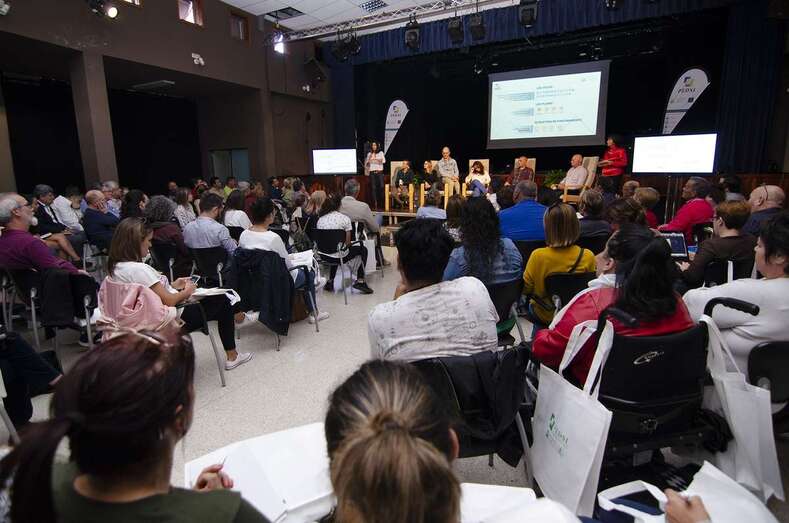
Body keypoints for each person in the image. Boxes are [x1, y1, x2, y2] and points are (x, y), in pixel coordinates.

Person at [0, 328, 268, 523]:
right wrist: (203, 508)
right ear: (179, 419)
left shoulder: (31, 475)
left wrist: (187, 502)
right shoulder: (228, 515)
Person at [533, 224, 694, 384]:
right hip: (664, 397)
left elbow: (546, 351)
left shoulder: (594, 305)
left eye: (603, 252)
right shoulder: (677, 303)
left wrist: (541, 335)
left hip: (598, 400)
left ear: (609, 263)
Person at [107, 218, 252, 370]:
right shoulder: (139, 270)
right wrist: (187, 292)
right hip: (173, 319)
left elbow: (146, 293)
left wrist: (172, 285)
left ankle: (237, 332)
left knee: (218, 298)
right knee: (224, 300)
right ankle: (232, 355)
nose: (150, 245)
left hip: (141, 322)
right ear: (136, 242)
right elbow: (169, 301)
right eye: (148, 241)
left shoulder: (115, 269)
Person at [368, 219, 497, 362]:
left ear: (399, 263)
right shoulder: (475, 288)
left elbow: (381, 369)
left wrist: (396, 304)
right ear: (446, 261)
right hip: (481, 383)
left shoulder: (380, 317)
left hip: (416, 385)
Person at [684, 212, 789, 373]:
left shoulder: (752, 292)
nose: (755, 248)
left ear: (779, 256)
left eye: (760, 245)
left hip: (734, 392)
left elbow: (690, 306)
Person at [239, 197, 329, 324]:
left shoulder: (244, 235)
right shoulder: (273, 238)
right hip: (278, 281)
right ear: (270, 215)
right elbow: (287, 265)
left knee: (306, 273)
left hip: (254, 280)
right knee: (309, 273)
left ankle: (314, 284)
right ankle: (314, 313)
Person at [522, 203, 596, 326]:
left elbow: (526, 288)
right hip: (575, 314)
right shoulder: (588, 256)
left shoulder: (538, 256)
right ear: (575, 226)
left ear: (547, 228)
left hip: (546, 314)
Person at [443, 197, 522, 285]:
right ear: (494, 219)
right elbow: (518, 274)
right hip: (509, 298)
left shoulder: (459, 257)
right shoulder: (510, 247)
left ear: (464, 224)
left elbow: (444, 285)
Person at [678, 201, 756, 289]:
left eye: (714, 218)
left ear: (720, 221)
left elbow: (692, 277)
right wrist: (699, 256)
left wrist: (685, 269)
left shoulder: (711, 246)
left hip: (713, 292)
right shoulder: (752, 240)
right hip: (744, 289)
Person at [0, 193, 79, 274]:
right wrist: (77, 271)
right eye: (27, 204)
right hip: (48, 284)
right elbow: (58, 273)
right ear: (16, 211)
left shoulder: (4, 240)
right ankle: (78, 261)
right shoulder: (30, 243)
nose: (31, 209)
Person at [316, 194, 373, 295]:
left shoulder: (320, 220)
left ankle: (330, 281)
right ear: (339, 205)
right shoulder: (344, 219)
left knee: (334, 248)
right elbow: (347, 243)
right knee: (362, 249)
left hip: (323, 255)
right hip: (338, 255)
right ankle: (360, 280)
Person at [144, 195, 194, 279]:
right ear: (167, 211)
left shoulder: (147, 228)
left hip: (160, 268)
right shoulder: (171, 229)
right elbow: (186, 251)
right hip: (180, 269)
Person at [658, 177, 714, 245]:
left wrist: (658, 230)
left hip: (684, 246)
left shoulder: (690, 207)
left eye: (686, 187)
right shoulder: (708, 206)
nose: (683, 189)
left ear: (694, 192)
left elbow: (673, 231)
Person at [365, 141, 385, 210]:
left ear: (377, 146)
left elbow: (383, 161)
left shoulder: (381, 153)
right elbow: (367, 164)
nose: (374, 147)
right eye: (373, 145)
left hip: (379, 173)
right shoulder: (369, 154)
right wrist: (370, 159)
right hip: (372, 173)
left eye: (375, 145)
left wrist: (375, 159)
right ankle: (375, 204)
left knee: (381, 187)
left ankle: (381, 203)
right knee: (373, 188)